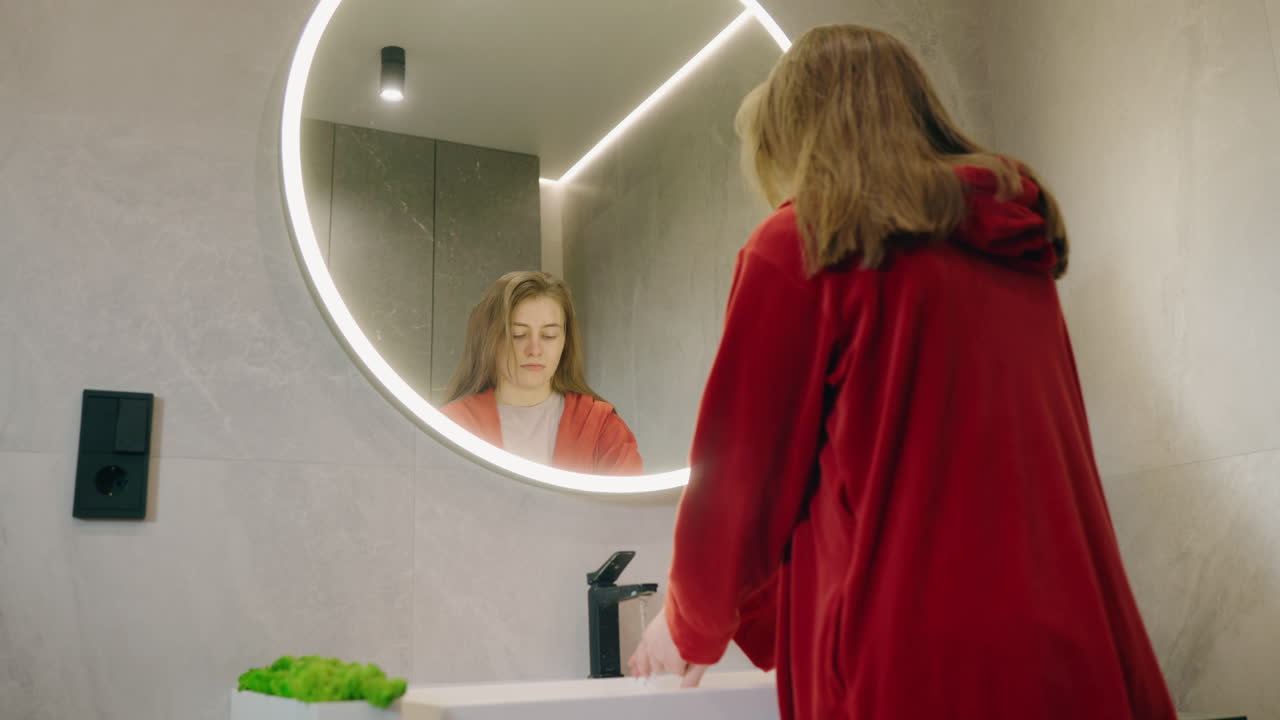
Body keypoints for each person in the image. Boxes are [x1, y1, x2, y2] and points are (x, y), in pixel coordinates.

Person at [627, 24, 1177, 720]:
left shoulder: (801, 245)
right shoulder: (1013, 244)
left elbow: (741, 486)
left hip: (911, 659)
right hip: (1074, 645)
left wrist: (686, 624)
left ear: (794, 136)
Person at [440, 270, 643, 475]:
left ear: (565, 341)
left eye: (549, 335)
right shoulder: (453, 425)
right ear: (490, 340)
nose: (535, 350)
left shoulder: (601, 427)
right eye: (518, 335)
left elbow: (632, 506)